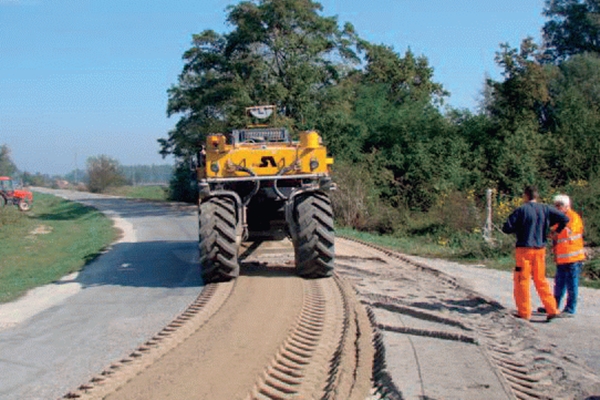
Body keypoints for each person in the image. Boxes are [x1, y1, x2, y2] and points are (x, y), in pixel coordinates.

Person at [502, 185, 570, 322]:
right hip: (540, 249)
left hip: (524, 249)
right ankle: (552, 309)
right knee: (541, 279)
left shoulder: (521, 210)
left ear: (525, 195)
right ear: (536, 196)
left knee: (522, 280)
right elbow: (564, 219)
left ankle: (524, 312)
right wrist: (555, 232)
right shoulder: (545, 209)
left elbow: (507, 228)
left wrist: (519, 228)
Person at [548, 194, 585, 316]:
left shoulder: (573, 217)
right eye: (556, 205)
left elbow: (566, 232)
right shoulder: (560, 218)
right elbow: (552, 232)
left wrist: (555, 232)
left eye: (559, 205)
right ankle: (554, 306)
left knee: (571, 285)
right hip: (562, 258)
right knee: (559, 284)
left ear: (567, 206)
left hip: (573, 258)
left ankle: (570, 309)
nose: (557, 208)